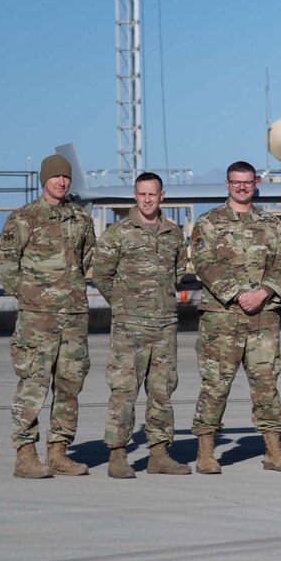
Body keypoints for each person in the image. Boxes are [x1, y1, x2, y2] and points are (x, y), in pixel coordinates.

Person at [189, 160, 281, 473]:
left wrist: (263, 293)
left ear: (255, 182)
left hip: (262, 319)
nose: (242, 187)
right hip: (221, 319)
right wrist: (236, 293)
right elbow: (204, 262)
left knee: (266, 385)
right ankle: (206, 452)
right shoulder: (208, 222)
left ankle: (273, 450)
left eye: (247, 182)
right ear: (227, 184)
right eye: (236, 182)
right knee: (215, 385)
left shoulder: (271, 224)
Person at [0, 151, 97, 478]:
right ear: (44, 180)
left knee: (70, 386)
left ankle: (58, 452)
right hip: (37, 320)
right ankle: (25, 455)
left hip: (73, 318)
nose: (61, 181)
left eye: (65, 177)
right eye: (55, 176)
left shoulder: (80, 219)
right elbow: (7, 265)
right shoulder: (24, 218)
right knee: (33, 385)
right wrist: (31, 298)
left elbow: (87, 261)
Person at [91, 171, 189, 478]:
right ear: (136, 196)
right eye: (142, 194)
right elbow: (101, 274)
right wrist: (122, 305)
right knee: (124, 391)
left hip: (164, 326)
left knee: (162, 390)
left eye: (153, 194)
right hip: (129, 327)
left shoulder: (173, 233)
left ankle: (159, 453)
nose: (147, 199)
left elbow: (178, 272)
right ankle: (118, 454)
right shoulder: (118, 233)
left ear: (163, 196)